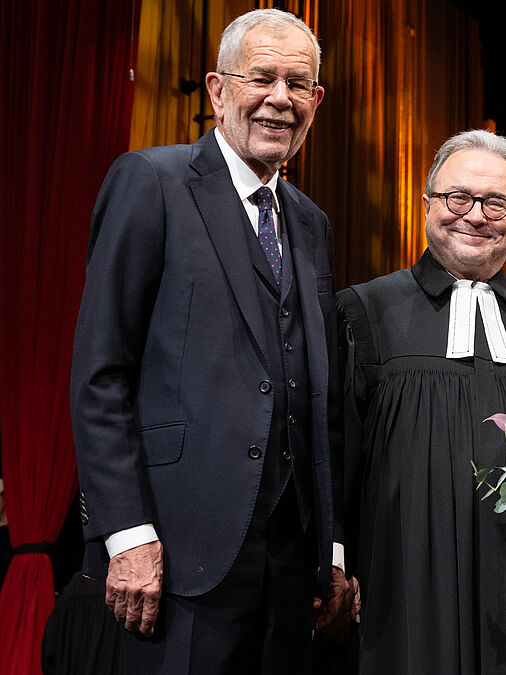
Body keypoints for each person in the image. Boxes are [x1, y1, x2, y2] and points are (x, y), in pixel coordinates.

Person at [70, 9, 353, 671]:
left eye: (298, 84)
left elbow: (322, 400)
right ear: (217, 90)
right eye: (261, 78)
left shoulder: (312, 224)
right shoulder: (151, 183)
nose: (280, 98)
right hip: (173, 557)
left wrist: (331, 548)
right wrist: (128, 532)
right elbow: (100, 374)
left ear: (316, 103)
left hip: (289, 572)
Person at [337, 129, 506, 673]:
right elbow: (334, 456)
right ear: (426, 205)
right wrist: (333, 563)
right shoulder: (364, 312)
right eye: (458, 198)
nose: (475, 215)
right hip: (399, 578)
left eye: (496, 202)